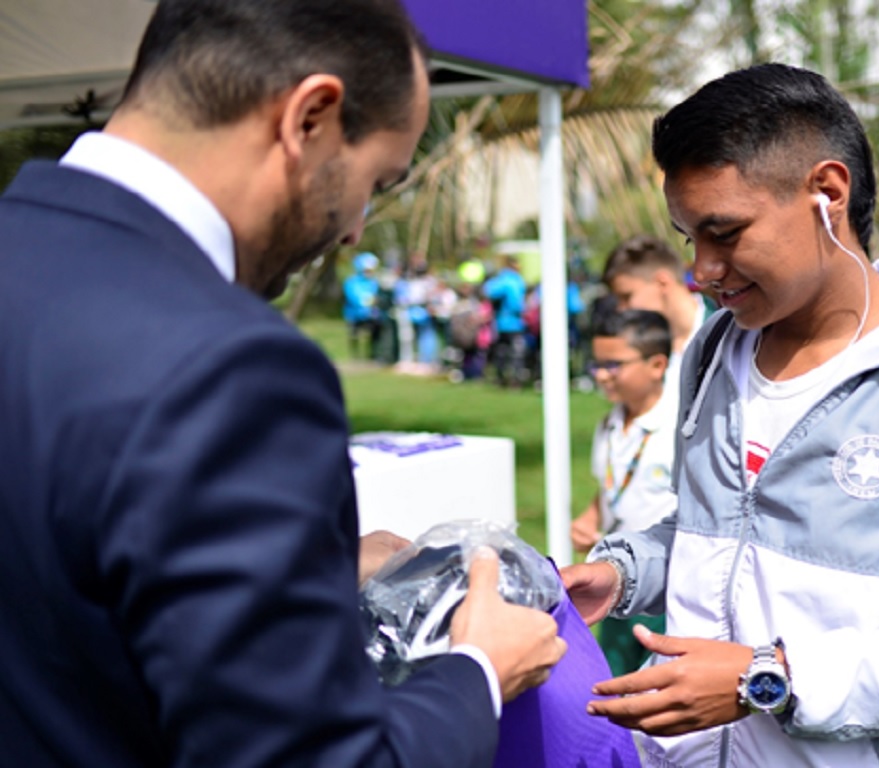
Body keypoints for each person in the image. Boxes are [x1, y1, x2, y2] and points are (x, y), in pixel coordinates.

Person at [0, 2, 566, 765]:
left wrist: (302, 569)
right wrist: (476, 673)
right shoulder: (230, 366)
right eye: (376, 180)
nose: (358, 229)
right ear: (312, 118)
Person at [561, 63, 879, 767]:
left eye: (725, 232)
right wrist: (623, 574)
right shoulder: (715, 346)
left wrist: (768, 680)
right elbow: (717, 534)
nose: (702, 270)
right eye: (687, 239)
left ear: (827, 193)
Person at [571, 310, 677, 676]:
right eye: (597, 364)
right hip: (616, 578)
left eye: (613, 364)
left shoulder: (681, 427)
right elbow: (610, 488)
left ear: (657, 364)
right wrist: (590, 517)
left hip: (667, 590)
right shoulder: (610, 423)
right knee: (610, 684)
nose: (601, 374)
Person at [602, 234, 709, 386]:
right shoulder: (640, 345)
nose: (621, 309)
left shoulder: (729, 331)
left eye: (627, 297)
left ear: (662, 283)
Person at [484, 254, 530, 387]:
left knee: (501, 351)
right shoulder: (514, 281)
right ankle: (515, 380)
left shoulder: (498, 280)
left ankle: (500, 378)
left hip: (499, 323)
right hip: (514, 323)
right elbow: (516, 304)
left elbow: (488, 292)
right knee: (516, 353)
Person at [344, 251, 383, 358]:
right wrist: (368, 301)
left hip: (372, 314)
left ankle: (373, 354)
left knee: (374, 333)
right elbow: (353, 297)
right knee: (354, 334)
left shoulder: (373, 282)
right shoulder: (352, 282)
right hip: (354, 314)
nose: (369, 273)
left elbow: (378, 295)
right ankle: (355, 356)